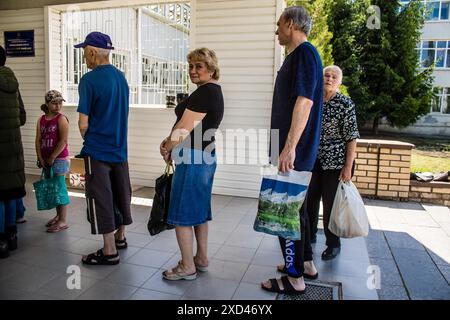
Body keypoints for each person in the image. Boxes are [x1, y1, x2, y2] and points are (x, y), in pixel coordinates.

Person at [261, 6, 323, 294]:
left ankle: (294, 277)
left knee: (285, 212)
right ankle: (306, 264)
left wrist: (289, 147)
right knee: (297, 210)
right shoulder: (298, 56)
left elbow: (305, 103)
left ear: (289, 23)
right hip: (288, 148)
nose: (276, 31)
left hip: (293, 150)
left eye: (278, 25)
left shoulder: (305, 54)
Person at [159, 47, 224, 281]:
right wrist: (170, 143)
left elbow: (184, 128)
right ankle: (201, 259)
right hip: (203, 155)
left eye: (199, 66)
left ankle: (187, 266)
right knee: (198, 211)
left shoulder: (206, 92)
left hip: (194, 158)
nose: (193, 71)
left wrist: (168, 146)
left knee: (182, 213)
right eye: (191, 66)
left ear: (211, 69)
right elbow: (185, 125)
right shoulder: (210, 91)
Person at [75, 32, 132, 265]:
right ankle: (120, 237)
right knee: (121, 192)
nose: (84, 58)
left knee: (101, 197)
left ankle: (109, 251)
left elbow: (83, 123)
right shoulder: (121, 77)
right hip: (120, 148)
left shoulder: (88, 80)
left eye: (84, 53)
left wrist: (89, 137)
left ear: (91, 52)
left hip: (97, 150)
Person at [307, 65, 360, 260]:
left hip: (336, 163)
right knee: (309, 201)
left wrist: (348, 166)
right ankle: (309, 236)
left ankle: (333, 243)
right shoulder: (313, 100)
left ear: (340, 82)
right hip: (313, 160)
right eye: (326, 75)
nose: (329, 78)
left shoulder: (345, 104)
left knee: (331, 204)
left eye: (334, 76)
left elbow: (352, 137)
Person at [0, 45, 26, 258]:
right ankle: (12, 236)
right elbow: (22, 116)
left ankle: (0, 241)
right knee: (10, 194)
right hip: (14, 147)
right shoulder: (13, 83)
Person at [35, 90, 70, 232]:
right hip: (47, 160)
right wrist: (40, 157)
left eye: (60, 102)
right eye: (54, 103)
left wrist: (52, 157)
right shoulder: (41, 120)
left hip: (59, 159)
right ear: (47, 104)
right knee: (53, 188)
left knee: (59, 188)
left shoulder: (61, 119)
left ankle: (63, 220)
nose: (58, 106)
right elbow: (38, 140)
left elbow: (63, 141)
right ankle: (58, 216)